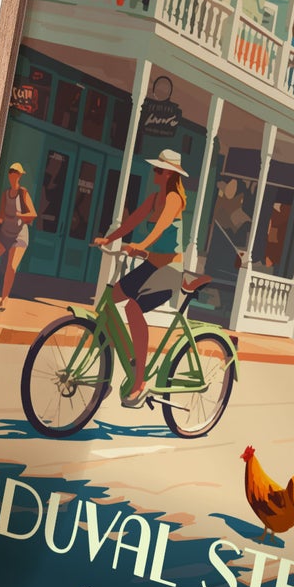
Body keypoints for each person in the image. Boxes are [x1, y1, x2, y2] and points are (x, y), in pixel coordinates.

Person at [92, 148, 194, 406]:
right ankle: (119, 366)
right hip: (150, 266)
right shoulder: (154, 198)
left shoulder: (173, 199)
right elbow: (131, 222)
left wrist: (141, 245)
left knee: (133, 308)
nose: (155, 173)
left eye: (159, 169)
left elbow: (159, 229)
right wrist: (110, 238)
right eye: (155, 168)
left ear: (170, 174)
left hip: (169, 270)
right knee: (111, 300)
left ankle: (140, 381)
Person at [0, 162, 37, 311]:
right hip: (5, 233)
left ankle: (4, 300)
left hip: (19, 236)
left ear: (20, 176)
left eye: (16, 173)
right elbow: (2, 214)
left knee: (11, 267)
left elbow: (33, 214)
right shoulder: (6, 194)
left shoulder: (23, 193)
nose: (13, 175)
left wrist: (20, 215)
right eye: (11, 172)